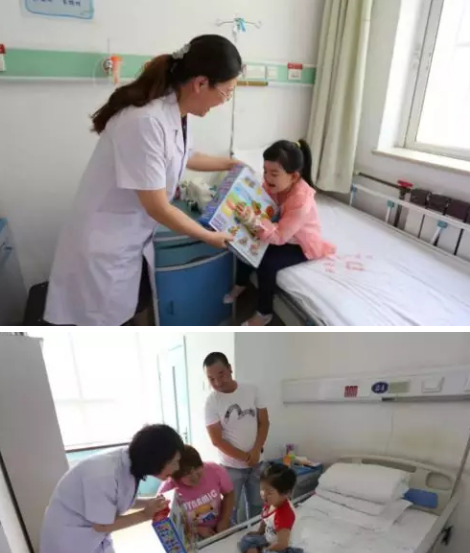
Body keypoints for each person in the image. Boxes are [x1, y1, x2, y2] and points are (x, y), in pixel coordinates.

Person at [44, 35, 243, 326]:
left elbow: (184, 154)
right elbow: (158, 207)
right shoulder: (145, 121)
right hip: (105, 243)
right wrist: (208, 236)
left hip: (128, 239)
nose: (225, 101)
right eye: (226, 92)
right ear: (201, 83)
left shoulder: (175, 112)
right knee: (100, 323)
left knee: (129, 309)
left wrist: (230, 164)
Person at [39, 424, 184, 553]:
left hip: (91, 534)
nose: (177, 468)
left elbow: (120, 498)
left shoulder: (129, 463)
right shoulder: (103, 475)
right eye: (174, 462)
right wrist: (145, 514)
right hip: (72, 539)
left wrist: (148, 503)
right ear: (156, 459)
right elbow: (101, 525)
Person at [224, 139, 336, 326]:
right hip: (279, 229)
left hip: (301, 244)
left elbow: (280, 236)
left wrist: (253, 221)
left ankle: (264, 312)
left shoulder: (301, 201)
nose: (267, 177)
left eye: (274, 173)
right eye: (265, 171)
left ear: (294, 176)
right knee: (246, 242)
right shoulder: (273, 184)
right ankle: (241, 283)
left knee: (266, 262)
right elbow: (261, 201)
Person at [204, 352, 269, 523]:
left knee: (257, 505)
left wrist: (256, 451)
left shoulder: (252, 390)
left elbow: (264, 422)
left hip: (257, 462)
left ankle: (255, 535)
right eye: (211, 379)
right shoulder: (212, 402)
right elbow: (217, 440)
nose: (217, 382)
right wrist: (246, 457)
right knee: (229, 510)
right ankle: (231, 538)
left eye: (221, 375)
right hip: (230, 467)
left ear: (230, 369)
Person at [221, 462, 304, 553]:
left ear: (286, 494)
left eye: (269, 492)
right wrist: (259, 532)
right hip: (269, 541)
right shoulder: (270, 502)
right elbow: (265, 518)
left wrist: (266, 551)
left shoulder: (285, 514)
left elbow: (282, 544)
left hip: (287, 550)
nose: (264, 495)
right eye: (261, 489)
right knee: (246, 540)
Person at [158, 445, 235, 539]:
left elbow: (229, 493)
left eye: (197, 468)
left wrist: (224, 519)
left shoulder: (214, 470)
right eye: (187, 474)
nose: (194, 476)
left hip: (220, 525)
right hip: (191, 535)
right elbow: (165, 526)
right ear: (176, 477)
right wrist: (197, 530)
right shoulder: (168, 490)